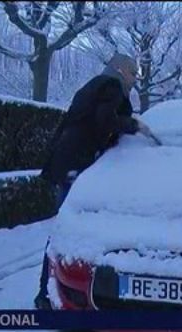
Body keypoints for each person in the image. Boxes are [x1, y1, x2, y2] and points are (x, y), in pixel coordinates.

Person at [34, 53, 160, 309]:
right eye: (132, 72)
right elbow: (105, 121)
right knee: (64, 228)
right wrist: (134, 126)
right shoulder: (110, 86)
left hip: (66, 161)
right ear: (119, 70)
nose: (135, 79)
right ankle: (47, 294)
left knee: (63, 225)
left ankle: (48, 292)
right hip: (76, 163)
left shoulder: (94, 86)